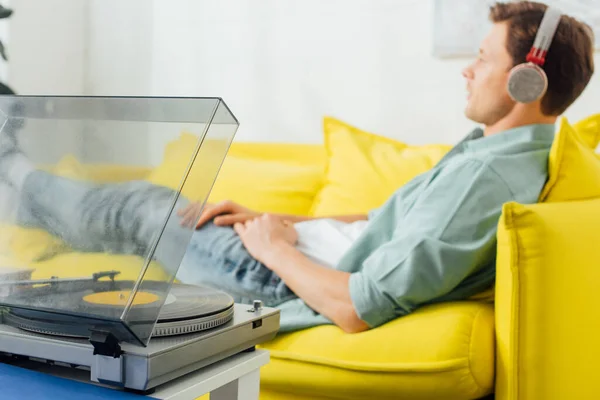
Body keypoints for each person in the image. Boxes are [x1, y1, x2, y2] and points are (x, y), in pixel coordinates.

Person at [0, 1, 595, 334]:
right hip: (294, 247)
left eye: (483, 58)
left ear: (527, 77)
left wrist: (271, 246)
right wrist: (275, 217)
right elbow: (387, 220)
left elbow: (359, 306)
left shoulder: (489, 179)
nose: (468, 69)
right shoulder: (495, 152)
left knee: (135, 209)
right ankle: (26, 192)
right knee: (141, 216)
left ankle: (16, 170)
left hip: (284, 274)